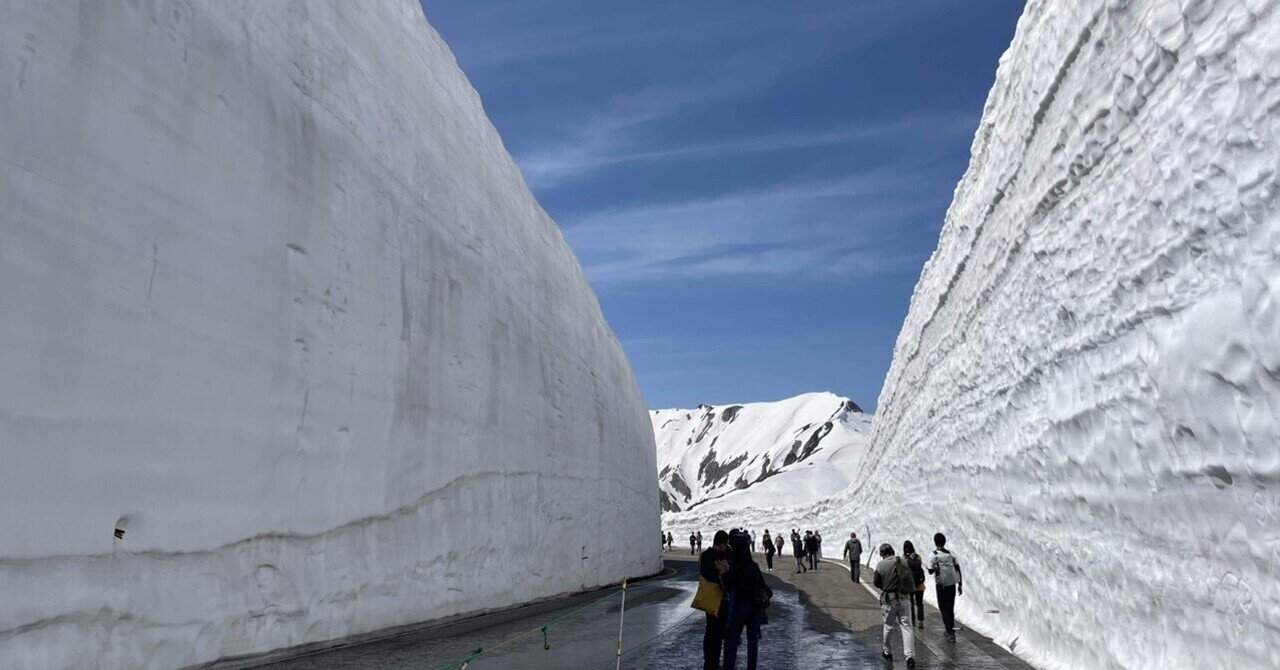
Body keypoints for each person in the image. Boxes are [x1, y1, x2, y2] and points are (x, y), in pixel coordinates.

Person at [722, 530, 770, 669]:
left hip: (739, 607)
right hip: (755, 608)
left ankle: (729, 667)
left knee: (732, 640)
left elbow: (730, 587)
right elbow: (763, 586)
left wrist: (724, 574)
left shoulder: (734, 567)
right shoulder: (753, 566)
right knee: (753, 641)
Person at [873, 543, 916, 668]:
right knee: (907, 627)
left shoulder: (881, 565)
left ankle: (887, 652)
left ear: (882, 554)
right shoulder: (901, 560)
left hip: (889, 600)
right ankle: (910, 657)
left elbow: (876, 582)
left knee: (888, 626)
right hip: (904, 598)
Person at [700, 530, 732, 670]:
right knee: (719, 632)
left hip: (709, 598)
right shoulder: (725, 556)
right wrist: (723, 573)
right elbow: (729, 576)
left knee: (710, 630)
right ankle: (715, 661)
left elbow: (704, 573)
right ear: (723, 543)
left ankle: (709, 660)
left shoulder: (705, 555)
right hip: (723, 599)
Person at [927, 532, 963, 642]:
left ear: (935, 542)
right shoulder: (951, 554)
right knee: (950, 607)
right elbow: (958, 569)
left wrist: (935, 568)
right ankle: (950, 630)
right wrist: (960, 584)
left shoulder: (933, 555)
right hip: (952, 584)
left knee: (943, 608)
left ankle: (949, 632)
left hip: (941, 585)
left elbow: (930, 571)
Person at [902, 541, 927, 629]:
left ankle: (912, 621)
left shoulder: (904, 558)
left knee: (911, 603)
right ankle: (920, 621)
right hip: (920, 585)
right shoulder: (918, 557)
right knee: (919, 603)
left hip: (910, 585)